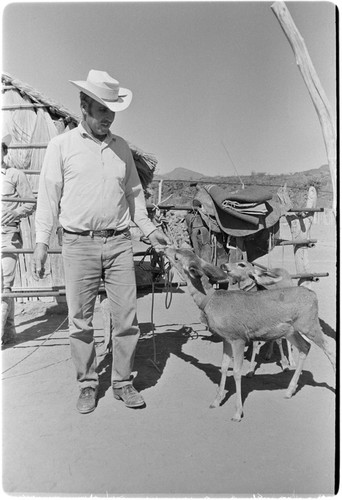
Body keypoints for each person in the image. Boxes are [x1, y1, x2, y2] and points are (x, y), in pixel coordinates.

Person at [31, 70, 169, 414]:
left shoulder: (121, 148)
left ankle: (122, 382)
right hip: (78, 245)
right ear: (84, 106)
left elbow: (135, 197)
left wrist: (150, 231)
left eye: (112, 112)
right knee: (81, 320)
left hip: (119, 242)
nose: (107, 118)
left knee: (126, 319)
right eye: (101, 110)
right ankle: (88, 383)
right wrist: (41, 243)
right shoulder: (60, 146)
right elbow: (48, 199)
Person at [1, 134, 36, 344]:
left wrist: (15, 213)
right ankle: (10, 331)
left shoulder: (14, 175)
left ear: (4, 151)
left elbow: (30, 202)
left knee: (4, 285)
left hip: (7, 234)